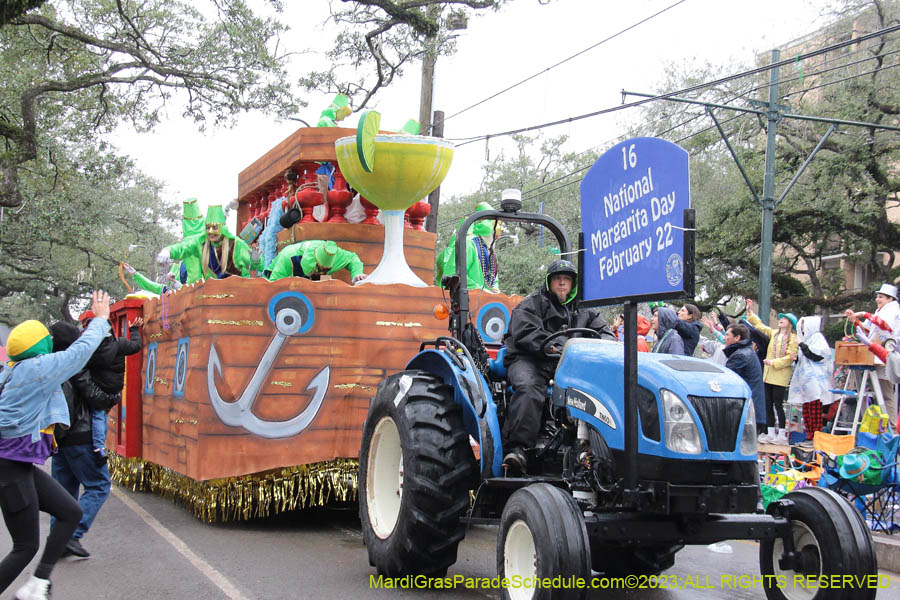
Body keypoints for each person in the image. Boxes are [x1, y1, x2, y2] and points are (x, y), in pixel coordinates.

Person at [0, 291, 110, 600]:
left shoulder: (13, 370)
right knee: (25, 546)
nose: (51, 340)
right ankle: (34, 585)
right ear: (38, 347)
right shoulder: (37, 370)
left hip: (18, 467)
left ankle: (38, 584)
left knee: (70, 512)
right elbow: (80, 352)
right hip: (9, 470)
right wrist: (100, 319)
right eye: (46, 338)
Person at [501, 259, 615, 473]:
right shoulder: (531, 304)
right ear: (549, 282)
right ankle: (518, 449)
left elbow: (606, 334)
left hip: (571, 364)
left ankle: (593, 450)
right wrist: (558, 348)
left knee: (599, 390)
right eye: (557, 279)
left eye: (566, 279)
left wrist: (591, 350)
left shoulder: (585, 309)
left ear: (573, 284)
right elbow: (526, 333)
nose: (562, 283)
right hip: (532, 359)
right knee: (528, 388)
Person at [47, 323, 120, 560]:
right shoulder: (76, 366)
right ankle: (71, 535)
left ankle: (57, 540)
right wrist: (112, 395)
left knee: (63, 493)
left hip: (59, 438)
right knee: (98, 485)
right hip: (81, 436)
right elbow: (96, 399)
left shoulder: (50, 365)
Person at [84, 316, 143, 462]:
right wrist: (134, 330)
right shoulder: (120, 344)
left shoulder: (91, 349)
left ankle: (98, 447)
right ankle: (100, 445)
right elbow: (136, 345)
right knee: (103, 415)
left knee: (98, 415)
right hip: (115, 389)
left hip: (98, 388)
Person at [845, 283, 900, 430]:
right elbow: (868, 328)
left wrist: (864, 314)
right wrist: (855, 320)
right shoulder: (880, 310)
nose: (877, 299)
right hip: (876, 355)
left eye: (881, 297)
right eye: (877, 296)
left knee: (886, 394)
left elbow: (884, 325)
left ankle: (892, 428)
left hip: (889, 356)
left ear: (890, 298)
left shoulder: (893, 310)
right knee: (879, 393)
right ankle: (882, 427)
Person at [745, 299, 798, 444]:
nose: (781, 320)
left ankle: (782, 434)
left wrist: (773, 362)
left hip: (780, 375)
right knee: (767, 403)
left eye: (785, 319)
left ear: (790, 324)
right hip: (768, 374)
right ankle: (770, 432)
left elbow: (790, 357)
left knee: (778, 404)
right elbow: (760, 326)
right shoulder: (774, 333)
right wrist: (749, 311)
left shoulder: (793, 339)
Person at [157, 205, 251, 282]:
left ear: (222, 227)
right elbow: (184, 247)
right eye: (208, 227)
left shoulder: (237, 244)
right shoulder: (201, 242)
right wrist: (168, 251)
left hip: (239, 293)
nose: (210, 231)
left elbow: (252, 268)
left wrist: (256, 261)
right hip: (212, 294)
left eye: (215, 227)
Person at [435, 201, 502, 291]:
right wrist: (482, 291)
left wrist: (495, 291)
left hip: (485, 299)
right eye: (494, 234)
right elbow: (454, 275)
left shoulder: (491, 254)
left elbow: (493, 281)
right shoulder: (469, 243)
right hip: (463, 298)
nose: (495, 238)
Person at [787, 316, 834, 440]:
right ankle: (809, 433)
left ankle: (816, 434)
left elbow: (816, 356)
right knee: (806, 408)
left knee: (814, 408)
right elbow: (805, 358)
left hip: (815, 380)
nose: (802, 328)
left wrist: (802, 345)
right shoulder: (807, 340)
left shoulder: (817, 338)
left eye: (804, 325)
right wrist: (796, 358)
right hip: (805, 381)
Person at [722, 323, 766, 437]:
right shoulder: (746, 352)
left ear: (737, 338)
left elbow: (726, 382)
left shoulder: (740, 355)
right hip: (751, 412)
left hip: (746, 413)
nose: (724, 338)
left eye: (727, 335)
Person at [266, 240, 365, 283]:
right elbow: (272, 285)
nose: (322, 273)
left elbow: (352, 258)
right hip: (277, 272)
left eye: (325, 270)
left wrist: (357, 273)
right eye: (320, 269)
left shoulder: (333, 254)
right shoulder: (288, 257)